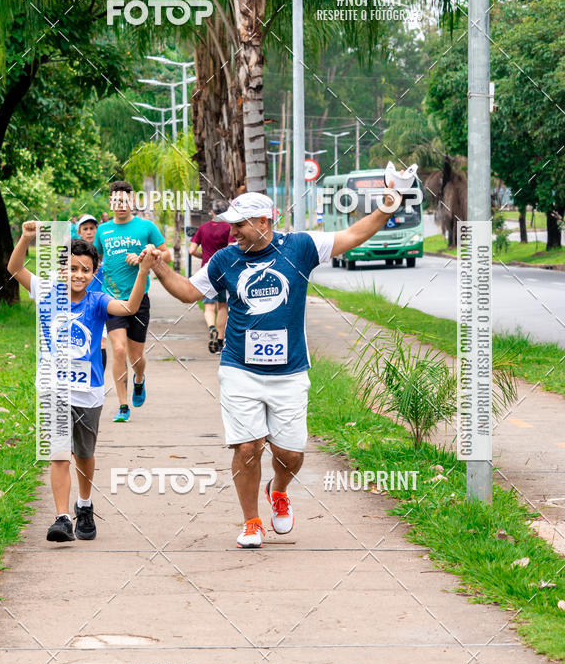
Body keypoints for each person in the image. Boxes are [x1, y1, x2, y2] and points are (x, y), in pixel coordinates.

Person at [144, 181, 404, 549]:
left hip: (290, 371)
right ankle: (251, 522)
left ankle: (278, 489)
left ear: (264, 222)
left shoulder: (299, 247)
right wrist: (158, 269)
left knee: (290, 453)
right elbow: (189, 291)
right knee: (247, 448)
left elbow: (352, 234)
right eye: (230, 225)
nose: (231, 232)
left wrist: (388, 207)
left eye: (239, 225)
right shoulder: (225, 259)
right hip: (239, 368)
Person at [8, 223, 157, 543]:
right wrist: (26, 238)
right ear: (61, 268)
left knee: (84, 454)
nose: (77, 274)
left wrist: (144, 270)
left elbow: (130, 308)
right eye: (71, 267)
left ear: (94, 272)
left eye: (85, 270)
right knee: (59, 452)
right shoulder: (46, 291)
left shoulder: (99, 300)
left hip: (87, 391)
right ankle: (62, 517)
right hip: (52, 387)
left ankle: (85, 505)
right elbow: (15, 267)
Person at [94, 181, 172, 423]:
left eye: (124, 200)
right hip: (112, 299)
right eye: (115, 201)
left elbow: (166, 254)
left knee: (136, 358)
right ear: (110, 202)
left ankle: (139, 379)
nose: (120, 205)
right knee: (118, 350)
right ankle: (122, 405)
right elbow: (94, 258)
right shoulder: (102, 231)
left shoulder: (146, 227)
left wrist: (148, 254)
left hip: (139, 300)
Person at [188, 200, 232, 353]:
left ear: (212, 212)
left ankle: (211, 328)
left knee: (208, 306)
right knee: (222, 306)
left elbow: (191, 250)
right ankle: (220, 341)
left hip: (206, 273)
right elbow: (232, 250)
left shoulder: (203, 228)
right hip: (224, 273)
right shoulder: (229, 228)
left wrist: (204, 257)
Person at [77, 214, 107, 370]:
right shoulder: (75, 252)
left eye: (92, 228)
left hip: (99, 303)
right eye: (85, 229)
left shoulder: (103, 251)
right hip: (79, 304)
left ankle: (99, 380)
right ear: (79, 232)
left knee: (101, 341)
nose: (89, 232)